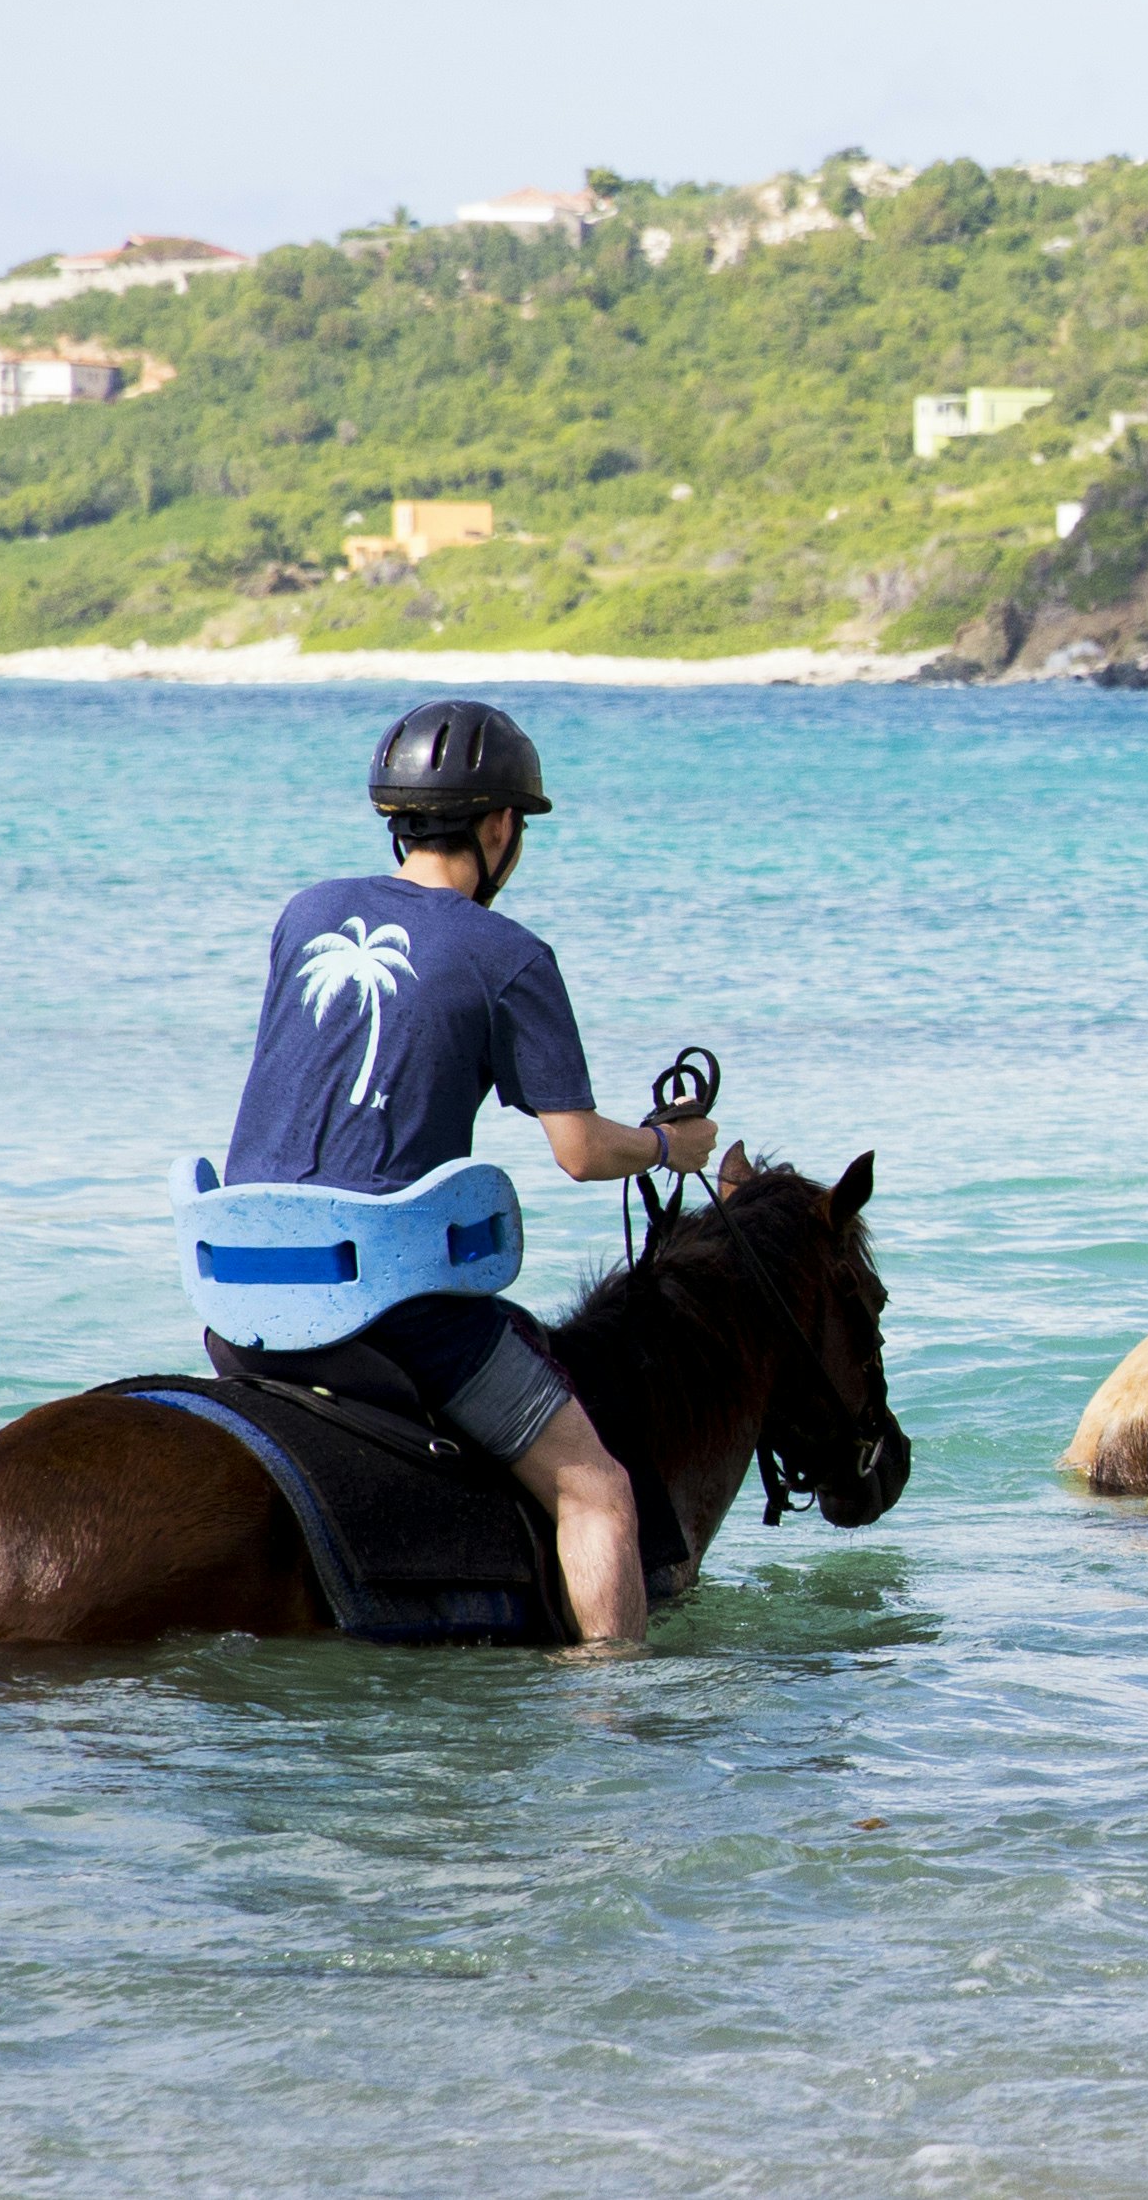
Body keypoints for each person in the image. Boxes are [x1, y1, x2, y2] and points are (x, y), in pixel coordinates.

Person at [221, 700, 717, 1647]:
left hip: (238, 1283)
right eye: (516, 829)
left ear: (397, 819)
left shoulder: (305, 914)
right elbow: (577, 1152)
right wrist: (668, 1149)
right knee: (596, 1489)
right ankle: (612, 1720)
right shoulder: (510, 955)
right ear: (499, 828)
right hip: (389, 1309)